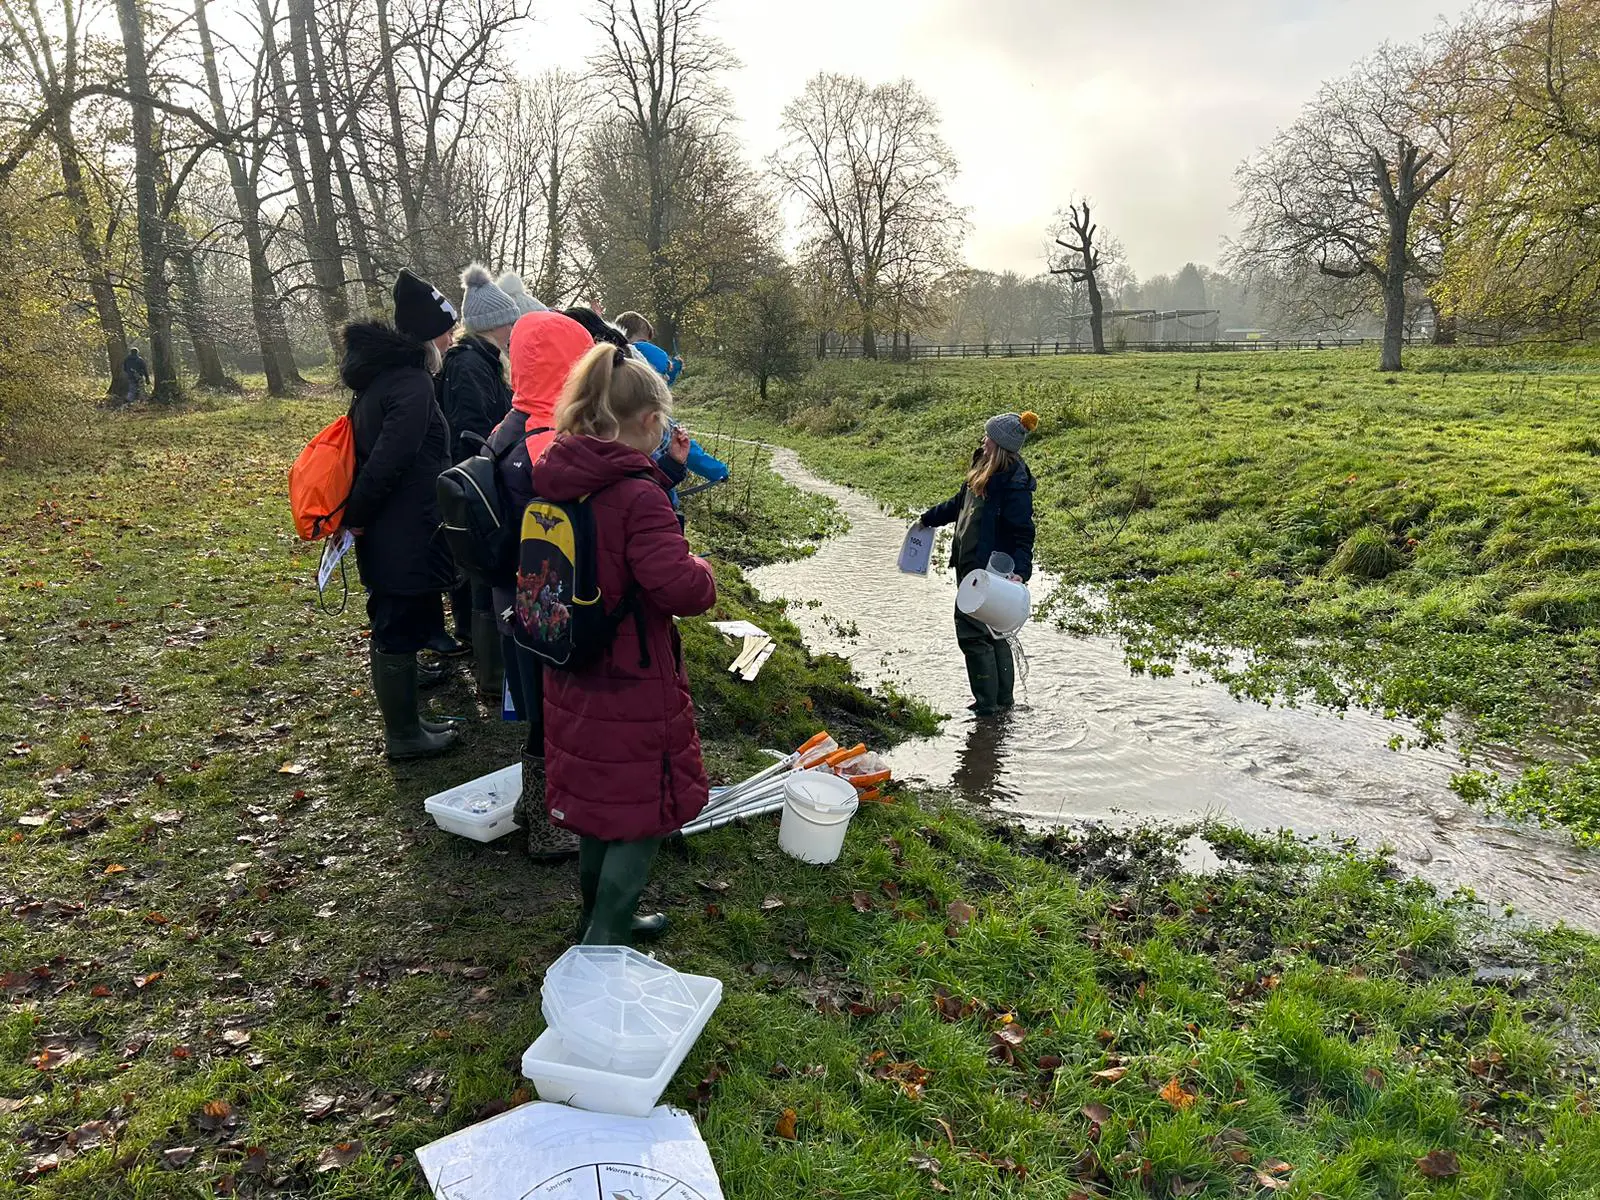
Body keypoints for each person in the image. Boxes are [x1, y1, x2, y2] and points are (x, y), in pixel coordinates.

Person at [532, 344, 717, 945]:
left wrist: (667, 481)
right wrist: (702, 568)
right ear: (647, 422)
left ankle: (595, 915)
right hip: (631, 675)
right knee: (642, 813)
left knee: (596, 802)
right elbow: (680, 588)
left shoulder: (560, 474)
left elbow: (607, 538)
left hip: (571, 662)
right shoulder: (640, 498)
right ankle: (605, 938)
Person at [340, 269, 463, 760]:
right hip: (403, 528)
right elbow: (390, 458)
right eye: (447, 331)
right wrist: (359, 515)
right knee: (394, 622)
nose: (452, 340)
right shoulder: (412, 384)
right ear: (427, 334)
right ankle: (404, 735)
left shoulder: (387, 380)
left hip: (398, 526)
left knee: (398, 616)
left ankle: (409, 719)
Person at [493, 310, 596, 859]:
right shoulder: (544, 441)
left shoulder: (507, 424)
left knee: (535, 708)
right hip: (542, 602)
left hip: (507, 596)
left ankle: (530, 809)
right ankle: (552, 824)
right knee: (552, 712)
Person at [917, 411, 1039, 717]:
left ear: (998, 445)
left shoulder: (1014, 485)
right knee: (995, 634)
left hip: (990, 576)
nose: (982, 440)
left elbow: (1024, 534)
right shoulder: (981, 469)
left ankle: (988, 708)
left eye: (987, 436)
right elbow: (958, 505)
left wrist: (1021, 573)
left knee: (975, 635)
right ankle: (1001, 707)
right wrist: (927, 519)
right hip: (969, 567)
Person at [440, 264, 521, 699]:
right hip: (479, 483)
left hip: (484, 477)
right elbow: (470, 429)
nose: (513, 329)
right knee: (484, 574)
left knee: (482, 574)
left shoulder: (483, 360)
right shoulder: (470, 365)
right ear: (494, 325)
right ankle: (491, 676)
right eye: (509, 322)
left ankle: (488, 665)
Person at [614, 311, 683, 385]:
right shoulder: (637, 348)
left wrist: (675, 368)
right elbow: (662, 366)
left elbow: (664, 381)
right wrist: (668, 365)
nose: (645, 344)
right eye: (642, 341)